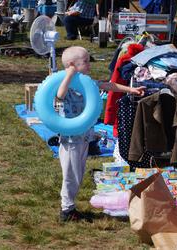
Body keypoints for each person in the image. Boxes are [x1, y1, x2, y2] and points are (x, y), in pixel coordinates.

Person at [55, 46, 145, 222]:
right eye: (85, 62)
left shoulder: (85, 83)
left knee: (78, 174)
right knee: (70, 175)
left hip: (84, 138)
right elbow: (60, 94)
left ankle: (70, 206)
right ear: (72, 65)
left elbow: (107, 85)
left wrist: (130, 90)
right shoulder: (66, 84)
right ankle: (66, 210)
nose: (89, 65)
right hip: (71, 140)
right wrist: (69, 73)